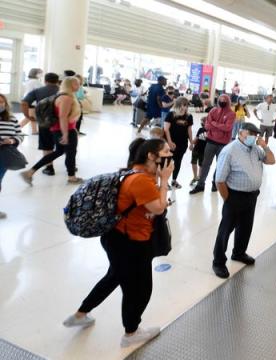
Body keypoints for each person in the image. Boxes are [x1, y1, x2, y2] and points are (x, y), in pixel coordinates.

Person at [62, 138, 173, 348]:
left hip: (117, 238)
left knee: (114, 277)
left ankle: (80, 314)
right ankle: (131, 333)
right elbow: (158, 208)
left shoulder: (135, 172)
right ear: (151, 156)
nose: (170, 155)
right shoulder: (142, 180)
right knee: (139, 290)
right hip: (131, 243)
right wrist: (165, 180)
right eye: (166, 151)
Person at [211, 122, 276, 278]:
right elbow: (219, 180)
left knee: (246, 227)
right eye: (250, 133)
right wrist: (228, 200)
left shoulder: (255, 149)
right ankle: (218, 262)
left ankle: (239, 253)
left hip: (251, 195)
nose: (253, 137)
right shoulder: (229, 151)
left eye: (256, 134)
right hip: (234, 196)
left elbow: (271, 161)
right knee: (226, 230)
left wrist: (265, 146)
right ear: (241, 133)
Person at [21, 76, 84, 185]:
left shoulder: (63, 96)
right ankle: (72, 177)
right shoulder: (66, 98)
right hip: (65, 129)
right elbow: (63, 117)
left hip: (60, 129)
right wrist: (65, 134)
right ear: (69, 85)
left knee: (59, 151)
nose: (79, 86)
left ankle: (30, 172)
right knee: (71, 153)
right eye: (76, 84)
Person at [190, 94, 235, 194]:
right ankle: (200, 184)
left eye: (225, 100)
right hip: (210, 141)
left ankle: (215, 183)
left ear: (228, 102)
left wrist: (214, 124)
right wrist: (219, 126)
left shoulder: (231, 114)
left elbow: (227, 128)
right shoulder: (213, 111)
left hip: (223, 144)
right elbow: (206, 126)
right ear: (218, 100)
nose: (222, 101)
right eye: (221, 100)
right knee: (206, 164)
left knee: (220, 164)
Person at [21, 72, 60, 176]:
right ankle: (71, 168)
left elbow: (24, 102)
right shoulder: (63, 91)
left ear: (45, 81)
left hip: (44, 122)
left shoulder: (38, 91)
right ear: (57, 81)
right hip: (62, 122)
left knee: (47, 145)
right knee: (66, 146)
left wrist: (27, 116)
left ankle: (49, 168)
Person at [0, 93, 25, 219]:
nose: (0, 105)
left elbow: (20, 135)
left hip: (4, 154)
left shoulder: (12, 119)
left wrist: (11, 141)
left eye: (2, 102)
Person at [164, 97, 194, 189]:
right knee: (168, 162)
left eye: (186, 105)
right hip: (171, 142)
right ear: (178, 104)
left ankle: (174, 180)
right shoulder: (171, 114)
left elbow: (189, 130)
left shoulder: (189, 116)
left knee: (178, 161)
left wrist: (191, 142)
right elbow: (166, 129)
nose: (185, 107)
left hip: (182, 143)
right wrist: (169, 142)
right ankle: (165, 182)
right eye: (183, 105)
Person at [19, 68, 43, 133]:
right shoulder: (36, 82)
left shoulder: (29, 81)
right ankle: (16, 128)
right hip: (32, 101)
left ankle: (34, 131)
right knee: (30, 117)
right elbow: (40, 91)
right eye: (40, 73)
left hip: (28, 100)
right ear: (36, 74)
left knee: (32, 116)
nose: (41, 74)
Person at [190, 117, 207, 185]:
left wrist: (192, 143)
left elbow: (195, 140)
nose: (202, 123)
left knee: (199, 164)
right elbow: (196, 139)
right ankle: (196, 177)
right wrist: (191, 144)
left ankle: (198, 177)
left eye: (203, 121)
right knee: (196, 163)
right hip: (198, 149)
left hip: (201, 150)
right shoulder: (201, 129)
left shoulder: (207, 130)